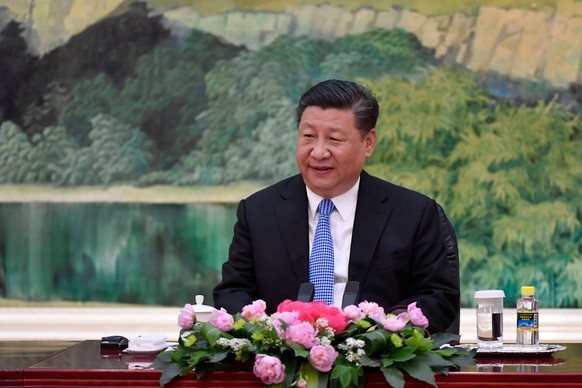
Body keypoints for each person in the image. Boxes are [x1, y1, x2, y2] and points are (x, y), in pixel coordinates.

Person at [213, 79, 459, 333]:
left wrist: (387, 329)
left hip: (375, 362)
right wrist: (268, 332)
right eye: (308, 136)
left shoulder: (412, 213)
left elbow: (437, 298)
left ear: (368, 143)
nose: (318, 152)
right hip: (283, 361)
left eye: (334, 139)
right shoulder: (258, 212)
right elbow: (233, 292)